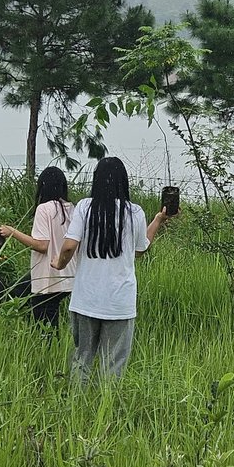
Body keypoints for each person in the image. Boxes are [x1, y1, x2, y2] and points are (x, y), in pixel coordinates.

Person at [51, 156, 169, 380]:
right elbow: (140, 249)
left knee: (82, 357)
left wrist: (59, 263)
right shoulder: (134, 212)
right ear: (123, 182)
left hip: (86, 299)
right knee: (114, 363)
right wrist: (158, 221)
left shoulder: (85, 207)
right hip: (119, 302)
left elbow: (68, 247)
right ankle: (108, 410)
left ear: (96, 180)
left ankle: (77, 408)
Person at [0, 166, 75, 328]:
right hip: (69, 274)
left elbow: (41, 245)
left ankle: (47, 349)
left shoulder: (44, 209)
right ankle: (53, 347)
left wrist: (12, 232)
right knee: (47, 310)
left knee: (44, 324)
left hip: (48, 276)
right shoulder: (70, 208)